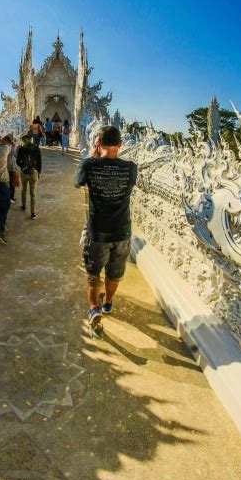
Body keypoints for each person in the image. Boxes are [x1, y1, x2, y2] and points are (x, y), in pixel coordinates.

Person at [75, 125, 137, 337]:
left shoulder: (90, 165)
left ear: (97, 143)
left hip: (98, 232)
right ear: (120, 145)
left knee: (94, 273)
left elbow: (78, 182)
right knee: (115, 272)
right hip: (122, 233)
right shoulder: (130, 167)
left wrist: (93, 157)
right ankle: (108, 302)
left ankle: (94, 309)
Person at [16, 134, 42, 220]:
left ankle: (23, 205)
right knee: (33, 193)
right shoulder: (36, 148)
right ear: (30, 139)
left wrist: (23, 167)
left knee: (24, 189)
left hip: (24, 172)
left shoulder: (21, 149)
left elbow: (18, 161)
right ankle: (33, 213)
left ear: (23, 140)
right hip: (33, 171)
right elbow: (39, 161)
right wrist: (39, 172)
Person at [2, 134, 18, 203]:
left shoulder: (2, 146)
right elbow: (15, 155)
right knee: (11, 184)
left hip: (3, 167)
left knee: (6, 183)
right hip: (11, 167)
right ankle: (11, 197)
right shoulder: (11, 147)